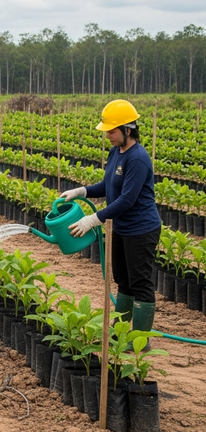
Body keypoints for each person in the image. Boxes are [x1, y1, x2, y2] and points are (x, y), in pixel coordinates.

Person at [60, 99, 162, 333]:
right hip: (123, 228)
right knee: (123, 280)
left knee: (140, 282)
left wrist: (93, 219)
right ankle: (122, 332)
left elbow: (127, 200)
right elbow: (108, 185)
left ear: (128, 130)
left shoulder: (137, 158)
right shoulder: (116, 151)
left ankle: (140, 339)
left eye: (112, 131)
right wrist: (82, 191)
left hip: (141, 229)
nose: (108, 135)